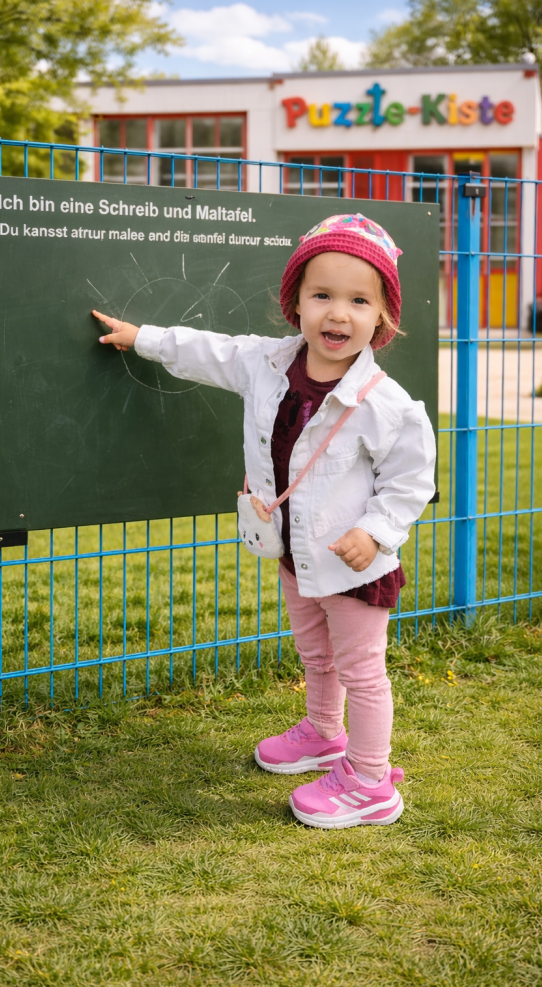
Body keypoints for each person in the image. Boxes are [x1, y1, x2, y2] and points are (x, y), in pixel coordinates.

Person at [93, 212, 436, 830]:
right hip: (293, 553)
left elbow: (412, 480)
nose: (338, 314)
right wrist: (141, 337)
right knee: (316, 654)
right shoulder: (266, 363)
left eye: (359, 301)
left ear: (383, 316)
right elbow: (206, 350)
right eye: (322, 295)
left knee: (362, 671)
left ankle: (370, 782)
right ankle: (324, 734)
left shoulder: (385, 403)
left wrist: (377, 532)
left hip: (354, 566)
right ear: (295, 303)